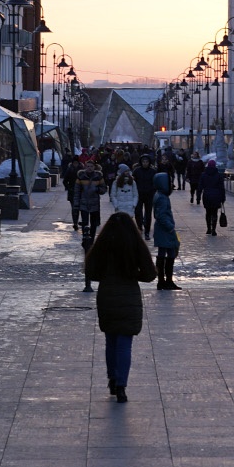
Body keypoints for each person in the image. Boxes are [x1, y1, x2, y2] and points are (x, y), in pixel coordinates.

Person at [84, 211, 156, 403]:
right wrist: (133, 275)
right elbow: (150, 274)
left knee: (111, 340)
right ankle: (122, 385)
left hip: (107, 296)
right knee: (125, 343)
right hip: (129, 297)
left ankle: (113, 380)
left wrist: (108, 276)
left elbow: (91, 271)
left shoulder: (103, 244)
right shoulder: (135, 244)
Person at [151, 170, 181, 290]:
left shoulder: (158, 194)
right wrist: (170, 227)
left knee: (162, 254)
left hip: (161, 230)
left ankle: (162, 281)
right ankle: (167, 281)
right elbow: (162, 216)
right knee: (170, 253)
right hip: (165, 230)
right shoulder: (162, 198)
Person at [76, 163, 106, 247]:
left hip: (94, 203)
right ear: (85, 167)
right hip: (84, 202)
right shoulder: (81, 176)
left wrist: (97, 189)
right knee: (84, 222)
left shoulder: (98, 177)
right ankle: (85, 238)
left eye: (91, 166)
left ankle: (92, 239)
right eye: (88, 166)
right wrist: (76, 203)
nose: (89, 168)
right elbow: (77, 191)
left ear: (94, 167)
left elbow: (104, 189)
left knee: (93, 223)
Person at [199, 159, 227, 236]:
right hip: (216, 196)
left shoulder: (203, 175)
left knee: (208, 212)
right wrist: (223, 198)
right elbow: (222, 188)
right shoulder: (218, 175)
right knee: (214, 213)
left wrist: (198, 196)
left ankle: (208, 229)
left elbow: (200, 187)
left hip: (207, 195)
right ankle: (213, 230)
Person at [133, 156, 156, 240]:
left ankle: (147, 231)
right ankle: (139, 227)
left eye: (146, 162)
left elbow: (155, 182)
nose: (145, 163)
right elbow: (133, 182)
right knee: (138, 212)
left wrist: (153, 190)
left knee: (148, 213)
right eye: (143, 162)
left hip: (149, 195)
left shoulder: (153, 171)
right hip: (139, 194)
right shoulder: (137, 171)